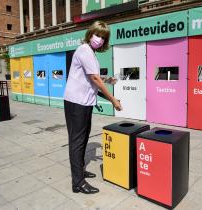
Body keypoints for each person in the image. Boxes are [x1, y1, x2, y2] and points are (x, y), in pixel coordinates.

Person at [64, 21, 122, 194]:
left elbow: (92, 78)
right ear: (90, 34)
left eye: (103, 37)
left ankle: (80, 171)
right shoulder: (84, 50)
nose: (99, 39)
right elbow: (94, 79)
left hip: (84, 102)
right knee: (77, 141)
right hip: (77, 103)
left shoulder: (90, 53)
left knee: (82, 139)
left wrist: (107, 80)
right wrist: (113, 100)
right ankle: (78, 183)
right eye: (97, 35)